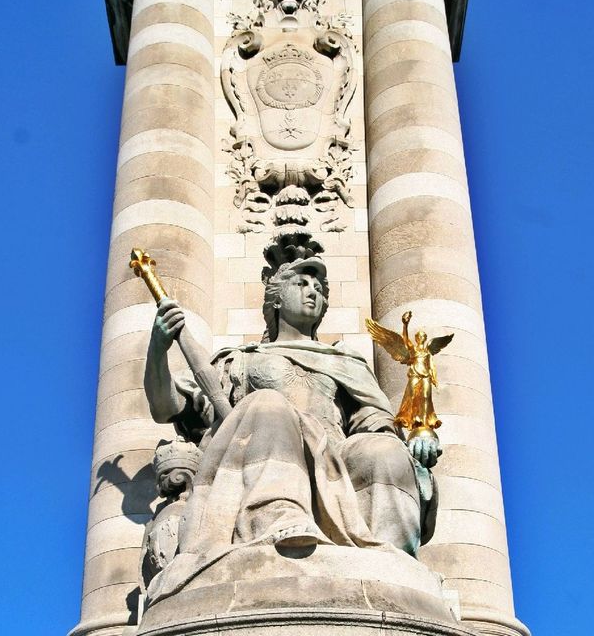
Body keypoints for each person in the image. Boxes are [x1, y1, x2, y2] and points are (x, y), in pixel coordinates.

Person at [143, 257, 440, 602]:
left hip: (332, 461)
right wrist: (157, 349)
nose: (313, 291)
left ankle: (392, 572)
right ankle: (275, 521)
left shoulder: (343, 362)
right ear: (277, 299)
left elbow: (373, 421)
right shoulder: (239, 359)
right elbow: (166, 407)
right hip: (262, 446)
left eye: (320, 288)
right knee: (269, 404)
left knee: (382, 452)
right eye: (301, 284)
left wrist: (408, 445)